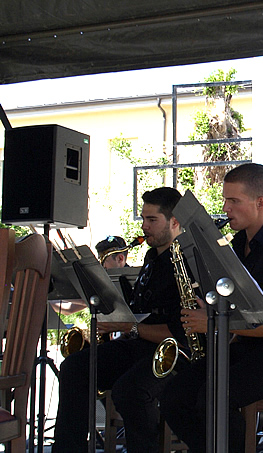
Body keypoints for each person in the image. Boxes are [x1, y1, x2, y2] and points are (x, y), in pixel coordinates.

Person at [158, 163, 263, 453]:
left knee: (215, 396)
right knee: (173, 396)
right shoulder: (233, 245)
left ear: (260, 202)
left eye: (234, 201)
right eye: (225, 199)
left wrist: (215, 323)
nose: (226, 208)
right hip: (245, 348)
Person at [52, 187, 186, 453]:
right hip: (141, 345)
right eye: (144, 219)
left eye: (152, 220)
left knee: (130, 389)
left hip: (174, 353)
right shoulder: (151, 257)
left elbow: (179, 332)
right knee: (75, 368)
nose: (145, 227)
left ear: (174, 221)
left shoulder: (186, 260)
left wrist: (129, 326)